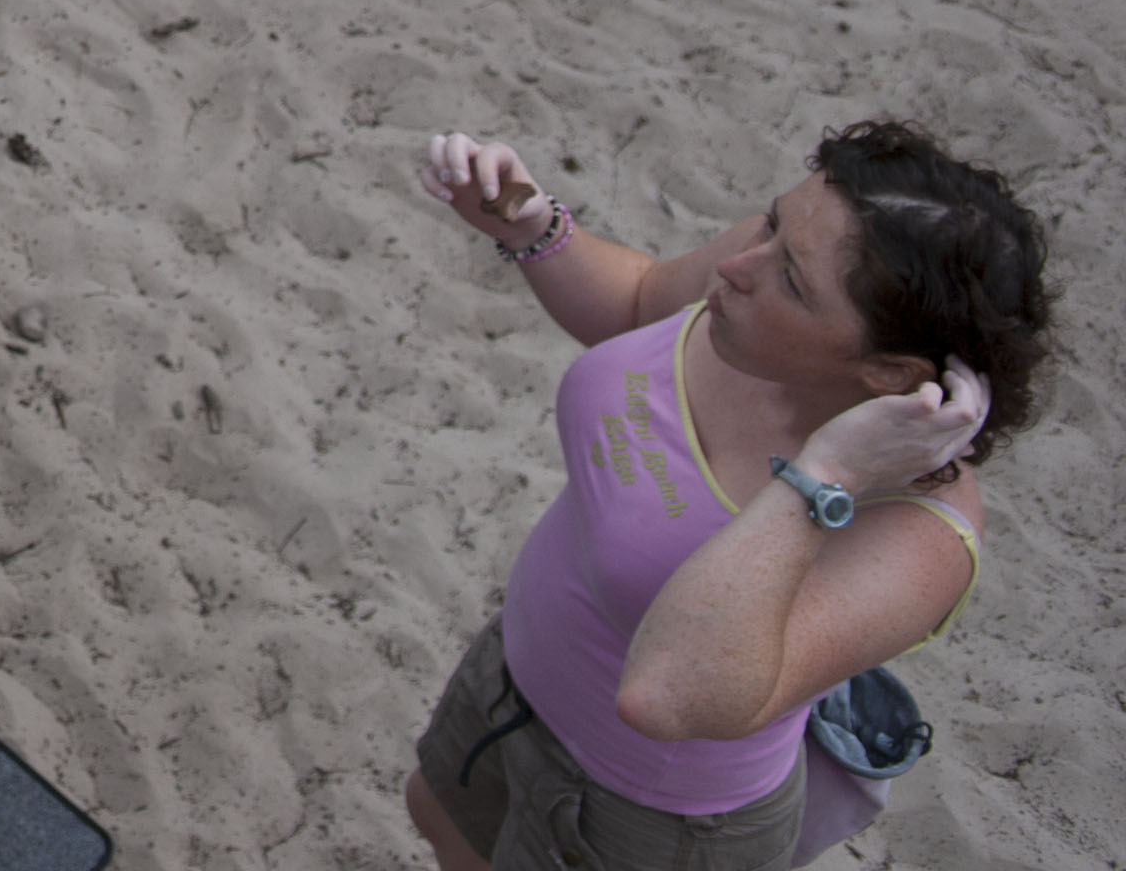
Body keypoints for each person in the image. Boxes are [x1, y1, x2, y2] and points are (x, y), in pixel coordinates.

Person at [405, 120, 1050, 871]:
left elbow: (668, 695)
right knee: (441, 819)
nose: (739, 262)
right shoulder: (756, 278)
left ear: (889, 374)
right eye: (773, 223)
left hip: (637, 815)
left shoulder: (921, 534)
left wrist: (826, 475)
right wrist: (531, 223)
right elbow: (638, 304)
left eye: (793, 280)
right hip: (515, 676)